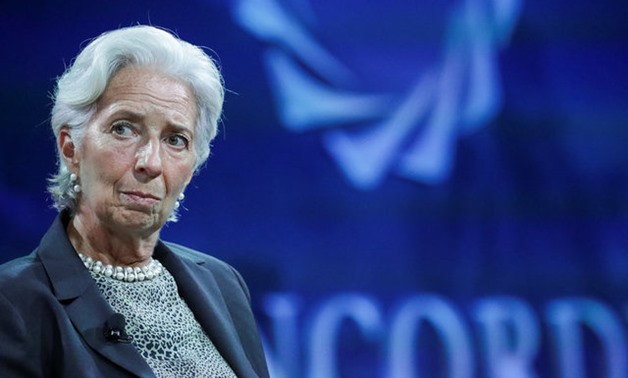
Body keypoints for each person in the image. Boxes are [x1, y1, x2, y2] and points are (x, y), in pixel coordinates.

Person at [0, 25, 270, 377]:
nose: (151, 163)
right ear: (71, 148)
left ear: (191, 168)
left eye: (176, 139)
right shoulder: (14, 301)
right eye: (123, 128)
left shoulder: (223, 284)